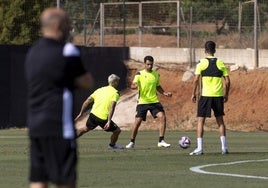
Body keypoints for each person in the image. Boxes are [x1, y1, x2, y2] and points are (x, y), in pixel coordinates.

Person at [25, 7, 94, 188]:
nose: (69, 27)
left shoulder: (33, 53)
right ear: (57, 26)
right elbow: (87, 82)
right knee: (65, 181)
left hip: (36, 127)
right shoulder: (67, 50)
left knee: (38, 180)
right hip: (59, 126)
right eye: (67, 24)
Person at [190, 41, 230, 155]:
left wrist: (193, 93)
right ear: (215, 50)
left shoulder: (201, 63)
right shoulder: (220, 62)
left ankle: (200, 148)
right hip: (218, 95)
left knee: (200, 121)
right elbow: (227, 81)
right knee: (220, 121)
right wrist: (226, 94)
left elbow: (195, 79)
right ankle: (223, 148)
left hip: (206, 95)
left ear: (205, 51)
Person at [126, 55, 172, 148]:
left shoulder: (156, 74)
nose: (150, 66)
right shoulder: (139, 74)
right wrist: (134, 85)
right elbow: (134, 84)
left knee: (162, 116)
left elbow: (158, 86)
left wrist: (164, 93)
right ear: (144, 64)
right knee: (137, 122)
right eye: (148, 64)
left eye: (151, 64)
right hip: (142, 102)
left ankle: (161, 141)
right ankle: (132, 142)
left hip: (154, 101)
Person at [75, 74, 123, 149]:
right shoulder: (115, 93)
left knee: (84, 129)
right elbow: (112, 107)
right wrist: (109, 121)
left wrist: (81, 113)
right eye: (118, 81)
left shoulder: (99, 90)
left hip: (93, 115)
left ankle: (68, 141)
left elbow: (87, 101)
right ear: (115, 82)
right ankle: (112, 145)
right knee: (117, 131)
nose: (118, 83)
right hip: (103, 118)